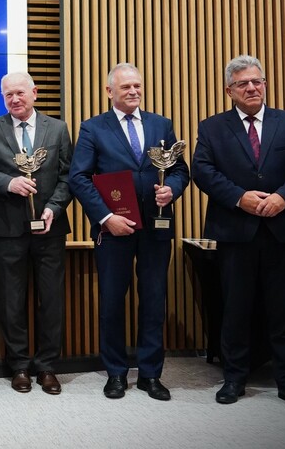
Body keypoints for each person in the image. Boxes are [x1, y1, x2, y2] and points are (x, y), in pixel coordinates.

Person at [191, 55, 285, 412]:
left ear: (265, 85)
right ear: (229, 90)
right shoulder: (212, 127)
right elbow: (202, 171)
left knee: (284, 311)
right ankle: (234, 378)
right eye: (244, 83)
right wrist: (238, 198)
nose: (252, 88)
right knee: (236, 308)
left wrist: (283, 197)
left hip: (283, 229)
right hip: (236, 231)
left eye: (258, 81)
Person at [68, 63, 188, 401]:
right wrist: (106, 217)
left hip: (157, 226)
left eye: (137, 85)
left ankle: (151, 374)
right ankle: (116, 374)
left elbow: (179, 170)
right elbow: (79, 177)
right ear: (110, 92)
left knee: (153, 300)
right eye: (125, 87)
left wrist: (172, 190)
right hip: (114, 229)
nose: (133, 91)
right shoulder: (92, 128)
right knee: (112, 302)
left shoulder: (161, 124)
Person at [0, 72, 73, 395]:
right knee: (11, 299)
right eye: (8, 95)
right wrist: (9, 183)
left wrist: (53, 208)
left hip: (49, 227)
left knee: (51, 299)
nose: (14, 99)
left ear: (34, 92)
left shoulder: (58, 129)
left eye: (20, 93)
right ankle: (18, 365)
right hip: (8, 228)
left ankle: (47, 366)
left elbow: (68, 176)